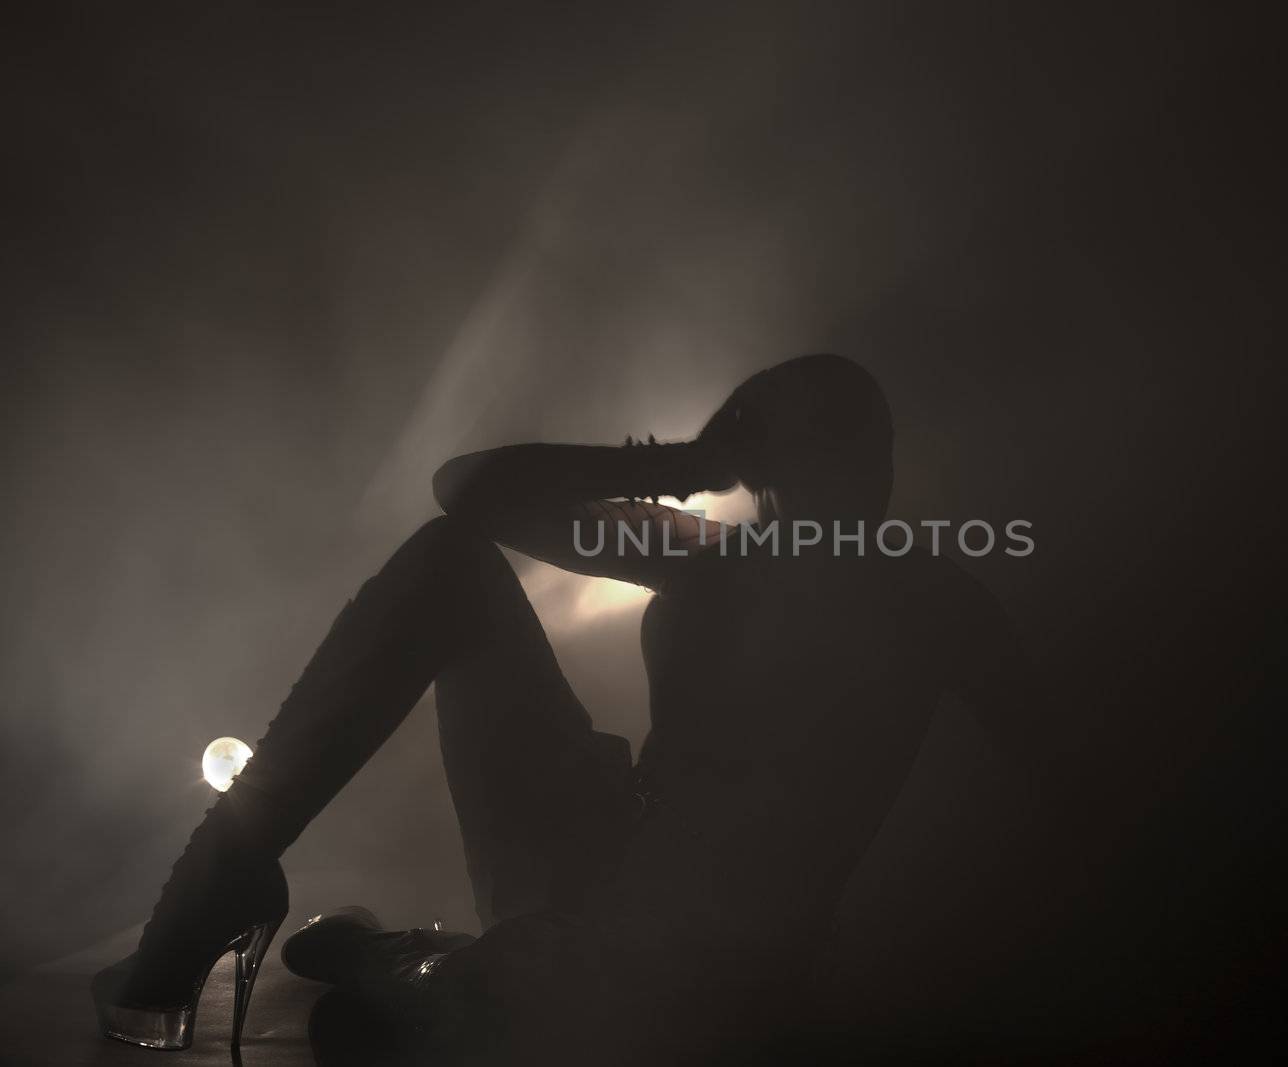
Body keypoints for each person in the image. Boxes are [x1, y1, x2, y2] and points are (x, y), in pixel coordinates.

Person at [91, 354, 1033, 1062]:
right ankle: (229, 867)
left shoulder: (927, 593)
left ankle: (406, 956)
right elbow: (468, 493)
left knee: (364, 1002)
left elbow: (1062, 760)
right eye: (800, 445)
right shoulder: (722, 560)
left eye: (857, 439)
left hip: (689, 967)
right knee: (449, 564)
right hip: (594, 862)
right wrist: (688, 460)